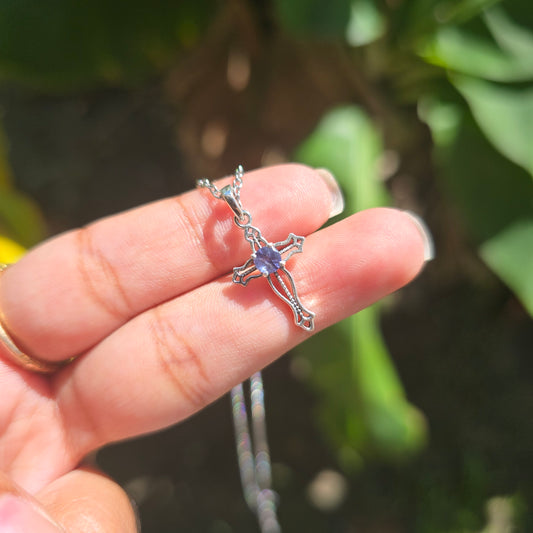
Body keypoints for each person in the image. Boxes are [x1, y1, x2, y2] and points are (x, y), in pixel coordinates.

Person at [0, 164, 432, 532]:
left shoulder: (266, 248)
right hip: (266, 261)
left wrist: (278, 256)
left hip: (271, 260)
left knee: (284, 282)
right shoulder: (257, 252)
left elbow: (273, 255)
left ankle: (297, 304)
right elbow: (257, 265)